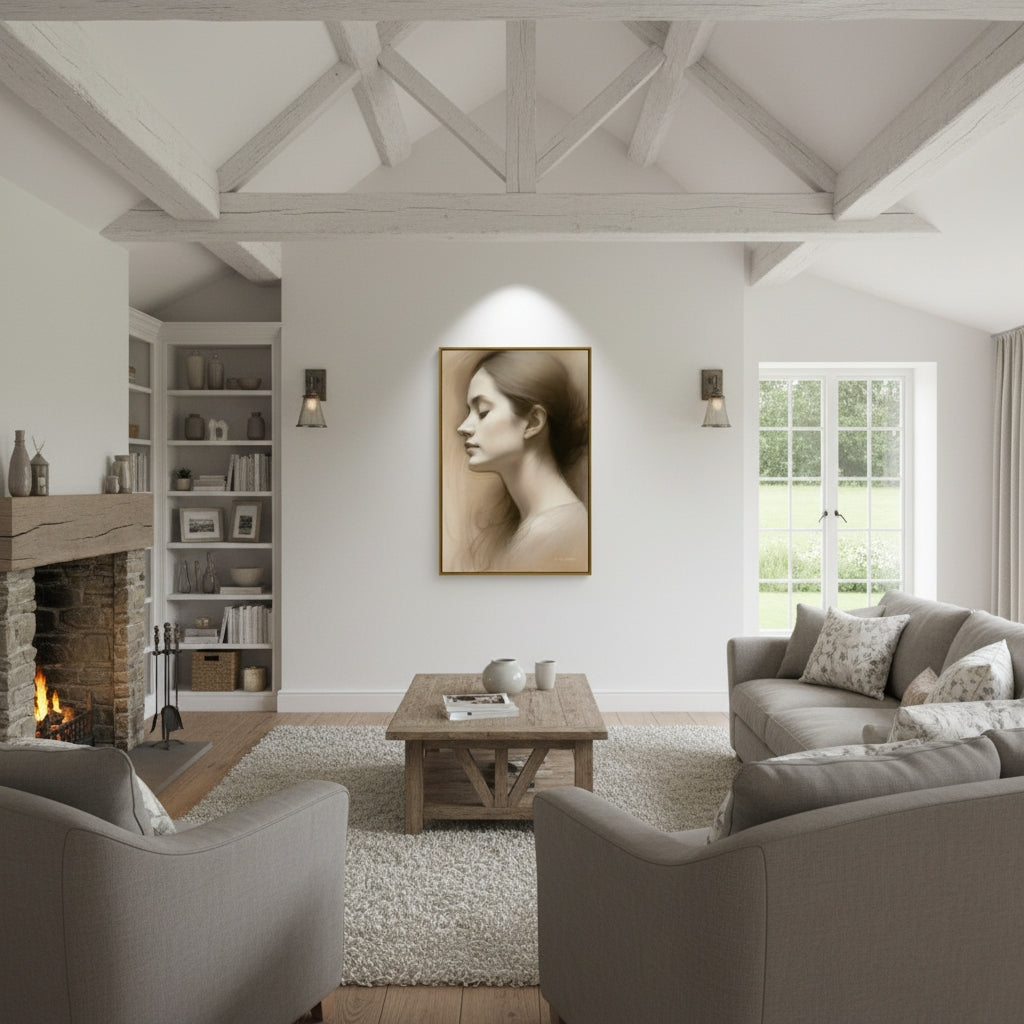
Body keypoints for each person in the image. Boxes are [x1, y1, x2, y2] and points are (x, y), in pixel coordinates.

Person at [455, 349, 589, 572]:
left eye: (483, 412)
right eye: (470, 412)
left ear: (533, 422)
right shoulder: (540, 527)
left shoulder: (557, 533)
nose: (463, 427)